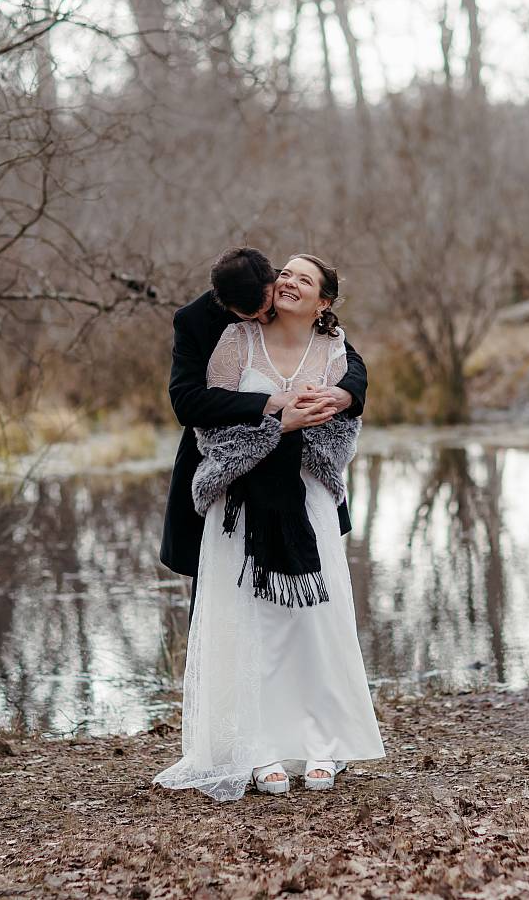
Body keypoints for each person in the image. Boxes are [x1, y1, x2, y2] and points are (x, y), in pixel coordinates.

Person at [154, 251, 385, 800]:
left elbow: (349, 396)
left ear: (323, 300)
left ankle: (322, 743)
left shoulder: (331, 345)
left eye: (301, 278)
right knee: (250, 623)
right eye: (284, 276)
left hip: (309, 500)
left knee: (316, 622)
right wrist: (276, 421)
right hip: (238, 496)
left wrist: (339, 403)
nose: (285, 284)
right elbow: (197, 411)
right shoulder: (221, 332)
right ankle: (255, 748)